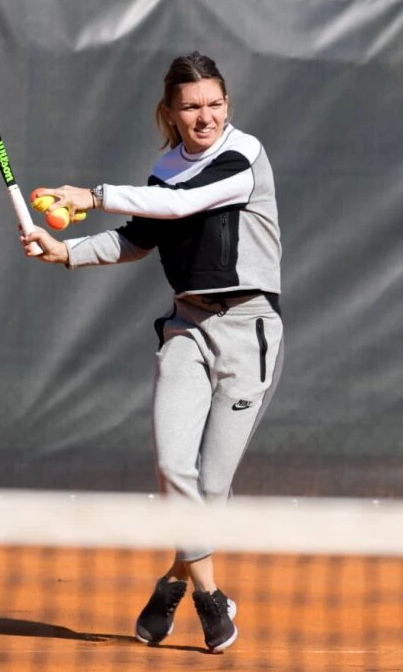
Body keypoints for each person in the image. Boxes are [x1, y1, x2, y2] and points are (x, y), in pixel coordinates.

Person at [20, 52, 283, 654]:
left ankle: (172, 580)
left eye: (215, 103)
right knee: (173, 469)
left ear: (228, 106)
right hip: (187, 329)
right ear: (169, 112)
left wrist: (92, 193)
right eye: (191, 106)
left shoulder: (245, 156)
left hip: (250, 332)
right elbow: (138, 236)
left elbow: (179, 205)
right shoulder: (165, 169)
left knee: (212, 488)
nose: (205, 116)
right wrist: (65, 252)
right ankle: (211, 599)